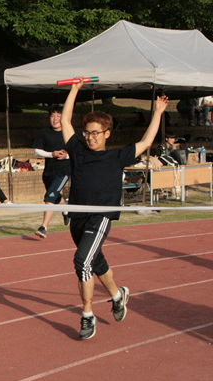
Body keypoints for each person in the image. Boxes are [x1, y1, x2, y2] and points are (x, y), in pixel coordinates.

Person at [60, 78, 169, 340]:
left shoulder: (116, 156)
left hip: (101, 217)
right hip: (78, 216)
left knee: (81, 262)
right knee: (95, 262)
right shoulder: (78, 150)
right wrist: (74, 90)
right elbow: (65, 122)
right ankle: (118, 295)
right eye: (87, 132)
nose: (90, 137)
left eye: (95, 133)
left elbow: (145, 142)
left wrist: (158, 113)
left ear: (107, 133)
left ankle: (87, 315)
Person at [32, 106, 70, 239]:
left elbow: (79, 152)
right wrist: (51, 154)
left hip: (64, 171)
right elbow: (37, 151)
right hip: (48, 172)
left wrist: (66, 156)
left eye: (58, 116)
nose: (55, 119)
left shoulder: (69, 133)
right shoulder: (44, 133)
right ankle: (66, 210)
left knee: (50, 196)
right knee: (55, 196)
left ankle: (43, 227)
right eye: (53, 116)